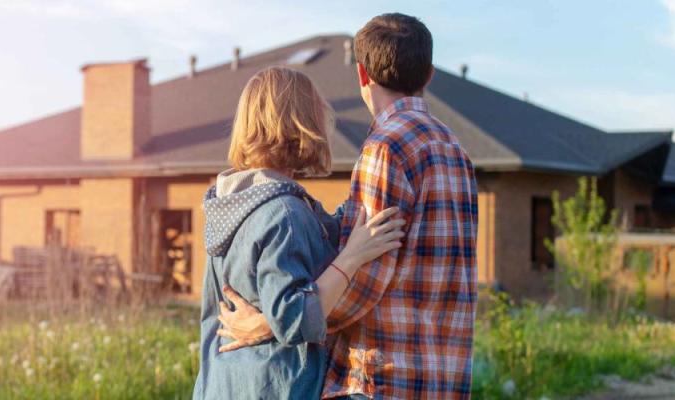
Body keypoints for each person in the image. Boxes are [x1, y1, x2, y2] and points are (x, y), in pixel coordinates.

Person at [217, 13, 479, 399]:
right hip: (443, 377)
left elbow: (364, 280)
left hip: (380, 378)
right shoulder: (457, 152)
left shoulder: (385, 148)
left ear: (362, 75)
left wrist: (273, 323)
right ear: (428, 76)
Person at [192, 66, 406, 400]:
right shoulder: (285, 214)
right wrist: (352, 257)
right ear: (304, 124)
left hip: (221, 386)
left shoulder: (231, 202)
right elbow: (293, 317)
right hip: (275, 388)